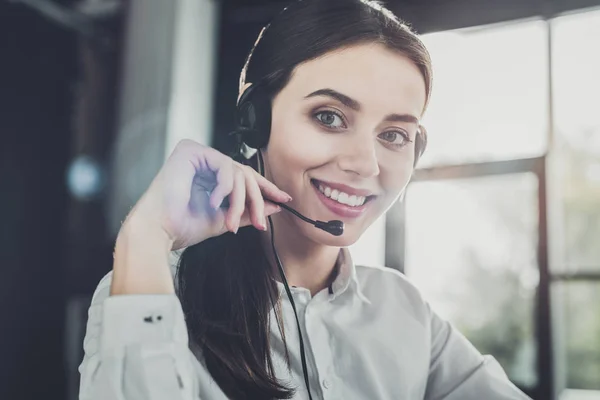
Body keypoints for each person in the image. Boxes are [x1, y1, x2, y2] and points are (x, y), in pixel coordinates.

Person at [78, 0, 533, 399]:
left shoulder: (403, 309)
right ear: (255, 122)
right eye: (330, 117)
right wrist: (146, 232)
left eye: (394, 134)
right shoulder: (149, 288)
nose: (367, 164)